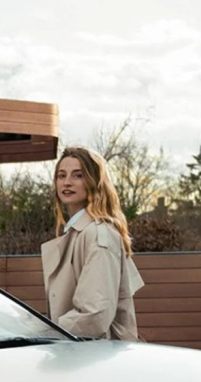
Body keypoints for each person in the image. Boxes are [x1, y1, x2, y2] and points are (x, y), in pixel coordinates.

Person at [41, 146, 145, 341]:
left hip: (98, 359)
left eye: (78, 175)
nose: (67, 182)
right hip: (84, 354)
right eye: (61, 176)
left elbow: (94, 315)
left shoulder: (98, 235)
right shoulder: (80, 233)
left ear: (93, 181)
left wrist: (44, 332)